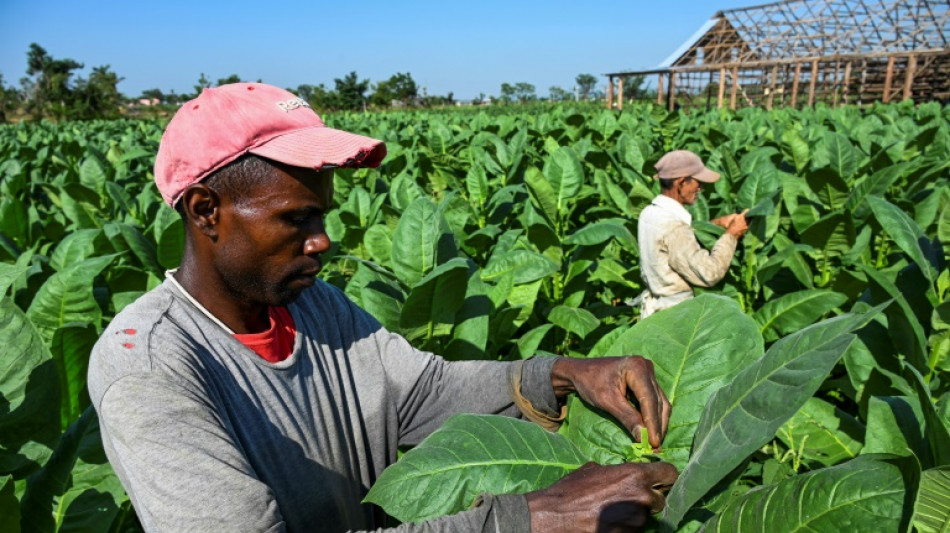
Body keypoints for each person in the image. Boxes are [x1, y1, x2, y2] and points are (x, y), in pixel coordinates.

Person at [87, 82, 677, 533]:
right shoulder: (149, 367)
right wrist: (521, 519)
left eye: (320, 214)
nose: (322, 240)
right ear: (204, 210)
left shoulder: (315, 306)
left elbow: (423, 393)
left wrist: (560, 374)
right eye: (295, 219)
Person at [636, 150, 749, 319]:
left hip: (655, 311)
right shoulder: (674, 227)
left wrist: (718, 224)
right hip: (676, 318)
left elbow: (673, 244)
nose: (701, 188)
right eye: (698, 182)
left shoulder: (649, 213)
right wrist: (732, 234)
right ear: (681, 183)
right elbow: (709, 273)